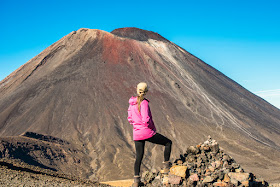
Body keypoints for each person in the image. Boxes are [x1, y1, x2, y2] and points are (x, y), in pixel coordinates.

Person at [127, 82, 172, 187]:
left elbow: (130, 119)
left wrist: (136, 126)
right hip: (147, 131)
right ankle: (166, 167)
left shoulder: (131, 103)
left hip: (136, 133)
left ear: (137, 89)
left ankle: (136, 181)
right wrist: (151, 128)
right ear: (146, 91)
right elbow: (146, 119)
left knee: (139, 156)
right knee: (168, 143)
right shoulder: (144, 103)